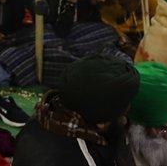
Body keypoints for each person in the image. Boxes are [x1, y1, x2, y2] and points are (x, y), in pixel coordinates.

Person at [13, 55, 141, 166]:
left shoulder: (46, 115)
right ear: (101, 121)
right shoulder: (78, 158)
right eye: (124, 107)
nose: (126, 115)